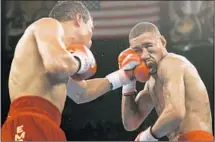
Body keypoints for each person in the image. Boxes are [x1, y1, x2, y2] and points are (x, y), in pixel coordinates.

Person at [1, 1, 148, 141]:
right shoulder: (48, 24)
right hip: (28, 121)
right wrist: (82, 61)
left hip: (50, 125)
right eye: (91, 29)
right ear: (78, 19)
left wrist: (124, 76)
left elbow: (81, 93)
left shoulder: (57, 56)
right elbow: (58, 65)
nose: (91, 41)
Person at [119, 22, 214, 141]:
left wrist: (146, 137)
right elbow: (130, 123)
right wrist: (128, 81)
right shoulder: (151, 83)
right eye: (137, 50)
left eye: (149, 46)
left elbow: (175, 113)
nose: (144, 55)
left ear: (162, 42)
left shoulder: (171, 63)